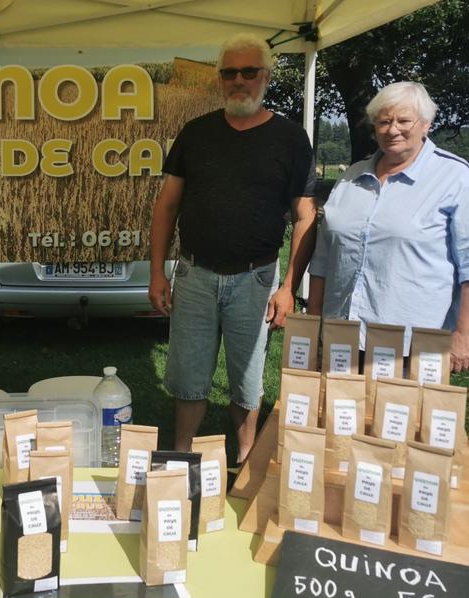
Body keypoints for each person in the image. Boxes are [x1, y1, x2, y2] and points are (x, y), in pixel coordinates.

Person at [148, 33, 317, 461]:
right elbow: (166, 206)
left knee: (247, 380)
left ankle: (244, 461)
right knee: (188, 376)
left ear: (266, 77)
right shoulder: (196, 133)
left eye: (248, 72)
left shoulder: (291, 139)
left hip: (256, 278)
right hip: (195, 274)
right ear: (220, 79)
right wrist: (155, 273)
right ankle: (181, 457)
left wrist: (288, 288)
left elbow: (305, 216)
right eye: (229, 72)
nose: (238, 81)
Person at [307, 81, 469, 372]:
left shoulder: (455, 179)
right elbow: (323, 255)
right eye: (384, 121)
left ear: (426, 124)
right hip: (342, 336)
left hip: (414, 347)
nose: (393, 129)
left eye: (404, 120)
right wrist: (314, 318)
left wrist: (464, 336)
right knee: (339, 416)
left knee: (402, 418)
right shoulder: (351, 177)